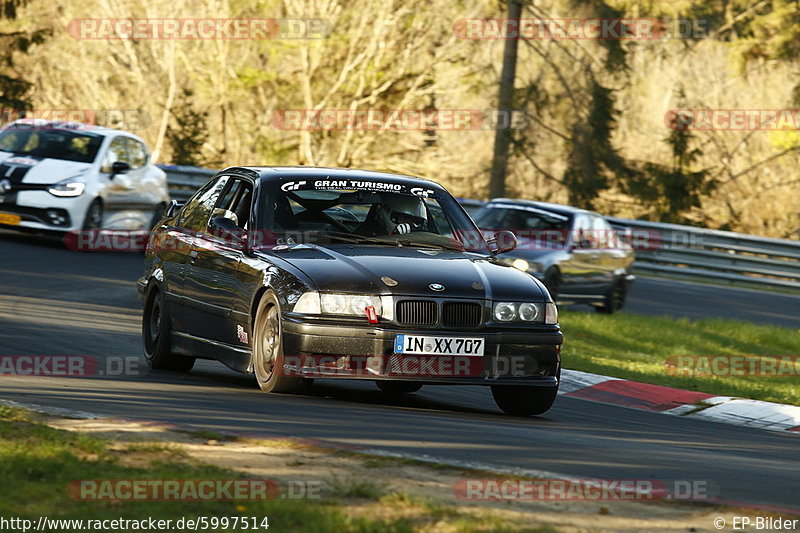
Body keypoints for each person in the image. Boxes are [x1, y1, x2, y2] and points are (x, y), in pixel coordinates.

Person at [357, 193, 429, 236]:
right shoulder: (364, 239)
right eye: (404, 218)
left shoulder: (429, 242)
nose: (410, 225)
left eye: (417, 221)